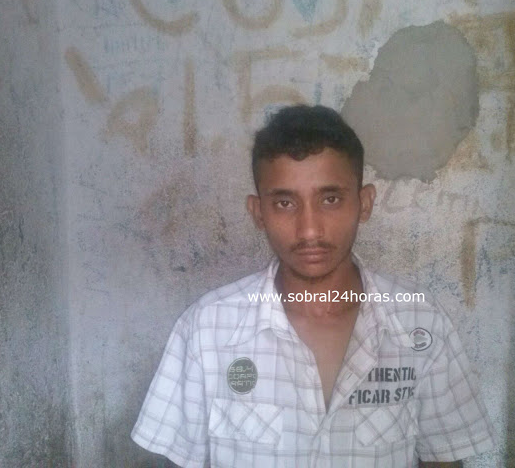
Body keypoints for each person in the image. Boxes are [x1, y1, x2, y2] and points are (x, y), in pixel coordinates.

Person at [131, 105, 496, 467]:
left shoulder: (422, 323)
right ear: (258, 213)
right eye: (285, 202)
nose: (309, 229)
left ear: (364, 203)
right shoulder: (207, 329)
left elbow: (443, 460)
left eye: (330, 199)